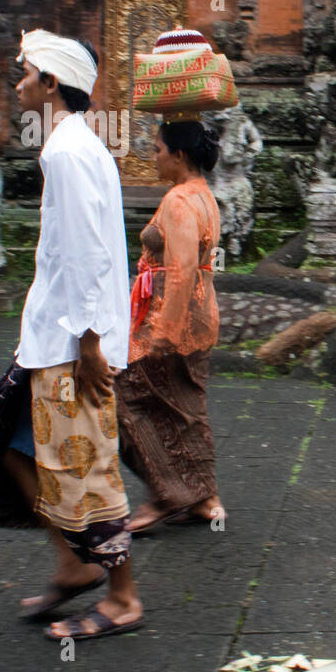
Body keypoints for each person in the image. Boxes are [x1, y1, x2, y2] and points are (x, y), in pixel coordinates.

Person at [0, 29, 141, 640]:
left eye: (24, 74)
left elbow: (88, 255)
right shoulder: (72, 146)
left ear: (51, 84)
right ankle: (74, 565)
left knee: (86, 470)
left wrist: (92, 344)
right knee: (6, 446)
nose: (15, 83)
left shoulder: (68, 152)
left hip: (73, 348)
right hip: (55, 339)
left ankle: (123, 598)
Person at [118, 115, 224, 532]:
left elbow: (179, 270)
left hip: (171, 319)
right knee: (185, 409)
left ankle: (168, 496)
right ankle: (202, 497)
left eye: (158, 150)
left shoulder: (180, 201)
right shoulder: (203, 194)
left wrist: (162, 334)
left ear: (178, 154)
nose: (154, 157)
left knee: (126, 399)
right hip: (200, 315)